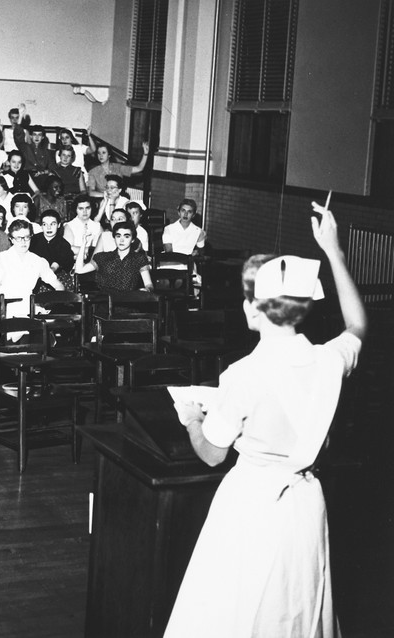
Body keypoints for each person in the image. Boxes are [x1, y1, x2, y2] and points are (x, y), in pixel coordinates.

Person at [163, 203, 366, 638]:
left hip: (251, 504)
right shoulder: (329, 361)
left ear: (252, 310)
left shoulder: (243, 375)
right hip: (307, 504)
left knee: (235, 610)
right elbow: (358, 324)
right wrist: (333, 250)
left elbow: (214, 455)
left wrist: (191, 420)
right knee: (295, 609)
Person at [0, 218, 64, 317]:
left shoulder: (38, 261)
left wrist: (50, 304)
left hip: (29, 308)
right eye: (18, 238)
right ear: (11, 239)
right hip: (5, 308)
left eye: (27, 237)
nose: (23, 242)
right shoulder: (1, 258)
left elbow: (60, 287)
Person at [76, 220, 153, 293]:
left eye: (126, 236)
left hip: (128, 303)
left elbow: (149, 285)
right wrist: (83, 243)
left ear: (132, 239)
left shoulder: (139, 259)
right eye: (118, 236)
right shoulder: (102, 257)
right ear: (114, 238)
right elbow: (79, 270)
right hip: (105, 303)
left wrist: (146, 290)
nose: (121, 240)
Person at [30, 209, 75, 290]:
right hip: (34, 275)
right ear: (41, 226)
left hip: (57, 276)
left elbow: (54, 267)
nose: (49, 227)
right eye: (45, 224)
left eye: (52, 224)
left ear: (58, 225)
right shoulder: (33, 240)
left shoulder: (64, 244)